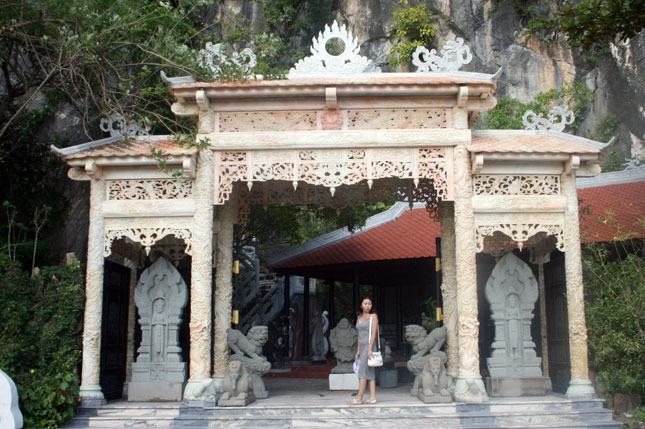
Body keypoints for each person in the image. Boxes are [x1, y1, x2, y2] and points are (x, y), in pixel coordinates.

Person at [348, 297, 379, 405]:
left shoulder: (373, 317)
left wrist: (370, 348)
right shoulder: (359, 317)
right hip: (362, 347)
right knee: (369, 373)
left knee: (362, 373)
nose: (367, 306)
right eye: (365, 303)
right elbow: (359, 335)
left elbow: (374, 333)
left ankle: (359, 398)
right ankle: (372, 398)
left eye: (369, 304)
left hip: (369, 347)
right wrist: (358, 350)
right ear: (361, 305)